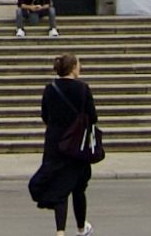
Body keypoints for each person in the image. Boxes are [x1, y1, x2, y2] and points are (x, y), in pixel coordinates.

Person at [29, 52, 97, 234]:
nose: (80, 67)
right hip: (77, 145)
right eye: (79, 64)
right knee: (78, 188)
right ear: (73, 68)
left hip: (56, 145)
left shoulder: (50, 89)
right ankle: (81, 228)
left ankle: (60, 231)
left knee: (60, 187)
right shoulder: (83, 89)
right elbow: (93, 117)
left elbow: (45, 115)